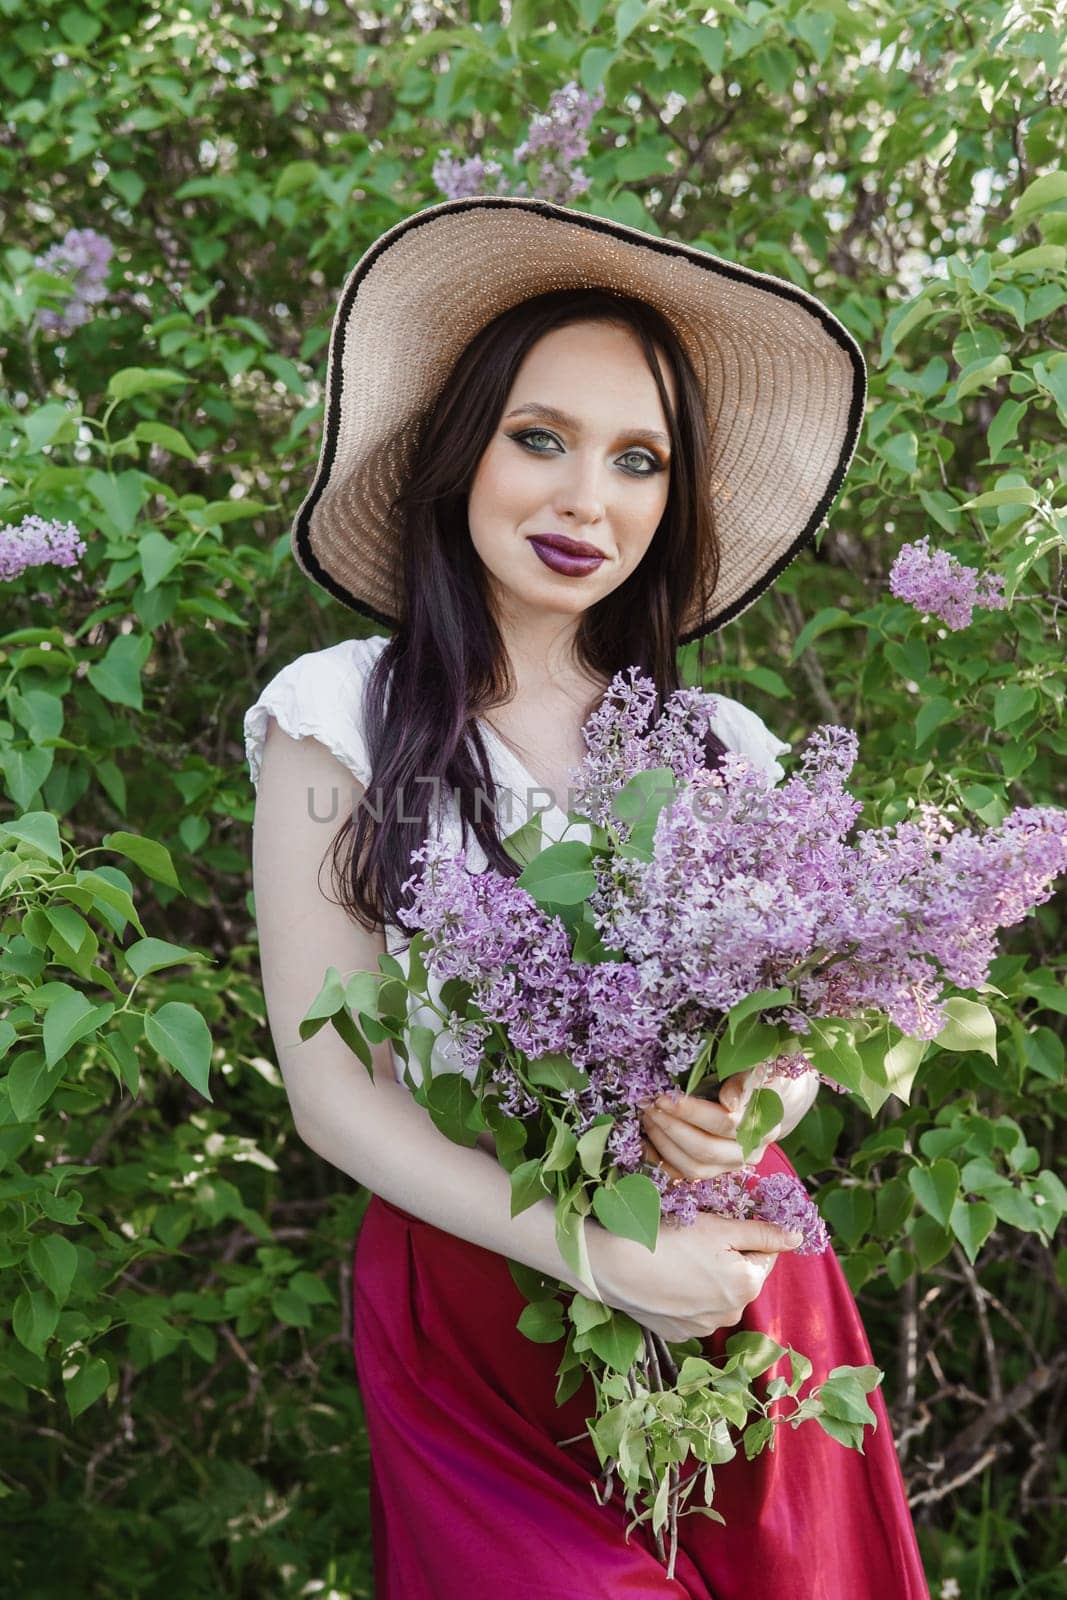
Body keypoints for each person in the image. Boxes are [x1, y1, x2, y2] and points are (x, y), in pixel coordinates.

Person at [243, 197, 930, 1598]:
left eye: (639, 462)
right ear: (460, 452)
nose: (585, 501)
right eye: (540, 438)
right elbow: (330, 1094)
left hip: (731, 1277)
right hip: (475, 1294)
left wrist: (747, 1108)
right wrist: (602, 1261)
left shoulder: (726, 747)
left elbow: (792, 1045)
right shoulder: (336, 722)